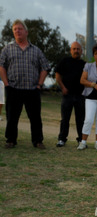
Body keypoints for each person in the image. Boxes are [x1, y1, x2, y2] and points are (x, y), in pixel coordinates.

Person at [0, 19, 51, 149]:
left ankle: (38, 141)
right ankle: (10, 140)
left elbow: (45, 67)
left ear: (26, 32)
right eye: (15, 29)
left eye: (20, 29)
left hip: (32, 89)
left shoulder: (36, 50)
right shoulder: (7, 49)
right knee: (12, 117)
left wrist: (39, 84)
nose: (17, 31)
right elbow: (1, 66)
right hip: (13, 88)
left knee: (35, 118)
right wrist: (6, 83)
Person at [55, 42, 86, 147]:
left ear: (81, 51)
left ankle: (81, 140)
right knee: (65, 119)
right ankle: (62, 139)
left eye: (78, 49)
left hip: (80, 96)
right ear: (70, 50)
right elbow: (58, 75)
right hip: (67, 95)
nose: (76, 51)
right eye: (74, 49)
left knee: (80, 120)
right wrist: (63, 88)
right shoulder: (65, 61)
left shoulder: (85, 64)